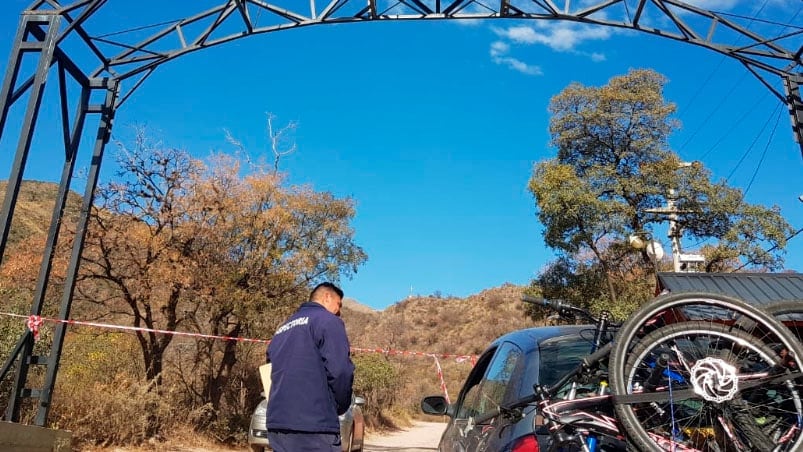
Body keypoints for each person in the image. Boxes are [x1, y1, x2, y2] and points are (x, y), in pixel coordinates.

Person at [266, 282, 355, 452]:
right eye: (339, 304)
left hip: (278, 425)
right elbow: (341, 371)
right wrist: (341, 405)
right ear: (327, 297)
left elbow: (269, 373)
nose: (339, 311)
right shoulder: (328, 321)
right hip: (315, 426)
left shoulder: (281, 330)